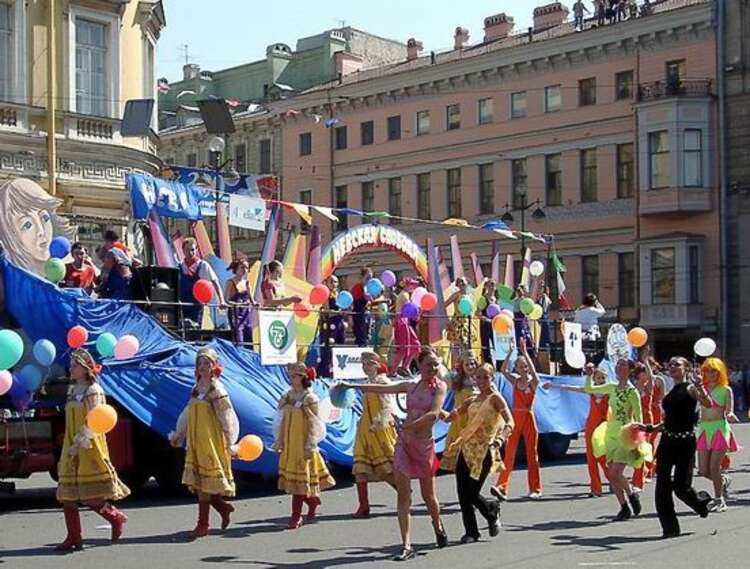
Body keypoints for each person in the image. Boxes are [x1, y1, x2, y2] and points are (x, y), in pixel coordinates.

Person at [341, 347, 448, 561]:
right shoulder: (410, 385)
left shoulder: (440, 387)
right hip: (404, 445)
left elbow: (434, 414)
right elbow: (381, 389)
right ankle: (406, 544)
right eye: (429, 364)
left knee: (429, 496)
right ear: (420, 366)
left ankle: (438, 525)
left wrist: (409, 426)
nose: (433, 368)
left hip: (424, 445)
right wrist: (351, 385)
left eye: (436, 364)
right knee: (403, 495)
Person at [55, 349, 130, 551]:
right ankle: (74, 537)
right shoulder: (73, 390)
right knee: (67, 494)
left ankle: (114, 517)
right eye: (71, 365)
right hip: (71, 443)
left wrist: (79, 442)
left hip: (88, 444)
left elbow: (95, 421)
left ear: (86, 368)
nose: (71, 369)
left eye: (75, 366)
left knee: (91, 496)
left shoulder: (93, 390)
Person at [638, 356, 712, 538]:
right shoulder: (671, 391)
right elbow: (668, 420)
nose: (672, 366)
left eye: (677, 364)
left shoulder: (691, 388)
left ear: (686, 368)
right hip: (667, 441)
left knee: (681, 486)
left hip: (685, 443)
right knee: (662, 484)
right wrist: (650, 428)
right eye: (670, 364)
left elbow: (708, 403)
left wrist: (701, 386)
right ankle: (670, 528)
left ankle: (700, 503)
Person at [170, 348, 239, 539]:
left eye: (207, 363)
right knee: (200, 482)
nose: (203, 367)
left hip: (211, 440)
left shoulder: (217, 390)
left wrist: (230, 441)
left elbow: (227, 416)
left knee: (205, 483)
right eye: (200, 363)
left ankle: (203, 524)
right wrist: (179, 433)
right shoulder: (197, 388)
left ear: (214, 366)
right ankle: (222, 508)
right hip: (196, 439)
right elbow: (188, 411)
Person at [443, 363, 513, 543]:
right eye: (478, 377)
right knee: (462, 493)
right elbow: (452, 416)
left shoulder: (495, 398)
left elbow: (510, 422)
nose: (481, 381)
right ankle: (472, 532)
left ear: (492, 377)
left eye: (486, 377)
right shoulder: (472, 399)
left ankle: (491, 508)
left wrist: (501, 438)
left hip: (484, 451)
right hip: (466, 449)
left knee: (472, 493)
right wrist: (433, 409)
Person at [584, 358, 650, 520]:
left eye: (623, 365)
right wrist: (589, 375)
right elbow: (590, 388)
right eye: (618, 364)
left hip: (625, 433)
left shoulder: (632, 391)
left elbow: (638, 416)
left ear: (630, 370)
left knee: (615, 472)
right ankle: (625, 505)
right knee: (611, 475)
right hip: (610, 432)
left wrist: (638, 437)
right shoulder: (612, 387)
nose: (619, 367)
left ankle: (631, 495)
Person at [274, 363, 336, 529]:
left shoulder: (310, 398)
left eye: (294, 375)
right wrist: (279, 440)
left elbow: (314, 423)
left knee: (300, 478)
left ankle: (296, 515)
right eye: (290, 375)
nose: (291, 378)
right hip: (290, 440)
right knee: (295, 479)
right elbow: (280, 417)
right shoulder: (287, 395)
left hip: (303, 442)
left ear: (303, 377)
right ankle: (312, 500)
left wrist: (310, 443)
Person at [544, 364, 611, 497]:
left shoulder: (610, 392)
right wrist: (553, 386)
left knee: (604, 458)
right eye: (598, 378)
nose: (601, 380)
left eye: (603, 378)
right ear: (594, 379)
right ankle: (596, 488)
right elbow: (572, 388)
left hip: (604, 428)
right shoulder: (591, 390)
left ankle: (614, 481)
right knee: (591, 458)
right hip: (591, 427)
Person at [493, 338, 543, 500]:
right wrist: (509, 352)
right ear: (516, 367)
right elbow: (503, 369)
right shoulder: (515, 381)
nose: (523, 368)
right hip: (515, 418)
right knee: (509, 453)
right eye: (520, 366)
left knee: (531, 454)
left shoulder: (533, 382)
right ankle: (502, 487)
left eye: (525, 366)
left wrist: (525, 352)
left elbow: (535, 374)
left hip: (528, 417)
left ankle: (536, 488)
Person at [351, 352, 398, 518]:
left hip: (379, 428)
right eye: (364, 364)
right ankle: (363, 506)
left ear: (378, 364)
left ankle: (403, 491)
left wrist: (378, 423)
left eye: (369, 363)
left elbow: (387, 407)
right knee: (360, 468)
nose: (366, 367)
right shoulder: (367, 383)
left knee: (387, 469)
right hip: (365, 429)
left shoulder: (383, 382)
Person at [0, 177, 76, 277]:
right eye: (27, 225)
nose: (41, 231)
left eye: (44, 218)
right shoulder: (11, 279)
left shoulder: (72, 268)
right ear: (9, 234)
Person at [696, 357, 739, 513]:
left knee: (714, 467)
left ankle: (719, 499)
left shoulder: (726, 390)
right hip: (704, 429)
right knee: (703, 470)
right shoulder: (702, 388)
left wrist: (730, 415)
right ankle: (724, 480)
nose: (710, 373)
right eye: (707, 370)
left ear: (720, 372)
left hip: (720, 429)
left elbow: (729, 410)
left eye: (714, 370)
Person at [441, 352, 479, 472]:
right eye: (467, 364)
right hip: (459, 420)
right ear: (462, 366)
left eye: (472, 363)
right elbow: (442, 378)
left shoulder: (480, 380)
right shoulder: (457, 380)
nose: (470, 366)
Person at [180, 238, 226, 326]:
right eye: (187, 250)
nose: (190, 253)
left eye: (192, 250)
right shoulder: (180, 266)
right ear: (183, 250)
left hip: (196, 305)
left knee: (194, 329)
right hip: (182, 304)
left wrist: (222, 300)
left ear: (196, 250)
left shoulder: (203, 265)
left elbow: (215, 282)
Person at [317, 275, 346, 378]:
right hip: (330, 325)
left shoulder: (338, 295)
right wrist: (339, 312)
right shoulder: (326, 295)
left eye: (336, 282)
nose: (334, 284)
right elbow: (327, 312)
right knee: (329, 349)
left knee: (340, 346)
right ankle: (325, 372)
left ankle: (339, 370)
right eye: (332, 282)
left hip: (339, 324)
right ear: (327, 283)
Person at [391, 280, 421, 375]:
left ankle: (405, 367)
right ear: (406, 285)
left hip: (405, 321)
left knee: (415, 344)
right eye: (411, 284)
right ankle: (393, 372)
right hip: (401, 322)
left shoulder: (406, 295)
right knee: (403, 349)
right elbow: (410, 309)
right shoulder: (404, 295)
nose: (413, 286)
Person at [225, 259, 255, 345]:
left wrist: (255, 303)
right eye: (242, 267)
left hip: (246, 315)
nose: (244, 270)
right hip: (236, 315)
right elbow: (226, 300)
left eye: (246, 268)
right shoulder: (230, 282)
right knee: (239, 339)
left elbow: (252, 300)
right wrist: (239, 304)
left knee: (249, 339)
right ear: (236, 269)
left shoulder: (247, 283)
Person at [446, 277, 472, 360]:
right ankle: (455, 367)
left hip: (466, 321)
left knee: (466, 345)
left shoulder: (469, 295)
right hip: (457, 321)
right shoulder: (456, 294)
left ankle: (464, 364)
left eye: (462, 282)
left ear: (467, 283)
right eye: (459, 282)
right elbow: (444, 305)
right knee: (456, 345)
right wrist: (447, 320)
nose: (461, 284)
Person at [352, 267, 374, 347]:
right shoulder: (357, 287)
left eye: (371, 278)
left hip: (366, 315)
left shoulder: (368, 289)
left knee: (367, 336)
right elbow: (355, 299)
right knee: (360, 336)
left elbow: (370, 302)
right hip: (359, 315)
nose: (369, 281)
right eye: (367, 278)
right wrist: (363, 296)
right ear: (361, 278)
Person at [477, 279, 497, 365]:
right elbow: (477, 313)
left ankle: (499, 367)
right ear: (486, 286)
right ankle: (489, 365)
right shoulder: (483, 299)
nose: (492, 287)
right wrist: (488, 320)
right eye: (490, 285)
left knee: (497, 346)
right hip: (486, 326)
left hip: (496, 326)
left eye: (493, 285)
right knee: (486, 347)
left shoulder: (496, 298)